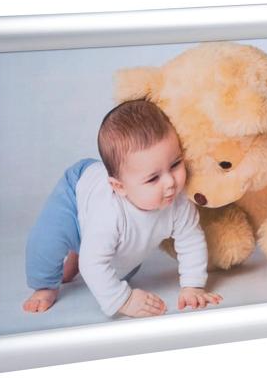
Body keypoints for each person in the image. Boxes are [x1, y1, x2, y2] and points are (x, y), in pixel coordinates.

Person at [23, 99, 223, 318]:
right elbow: (92, 264)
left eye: (175, 164)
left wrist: (193, 286)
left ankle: (84, 249)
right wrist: (124, 300)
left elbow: (191, 240)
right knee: (48, 240)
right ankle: (45, 286)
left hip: (118, 239)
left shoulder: (179, 202)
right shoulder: (109, 214)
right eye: (153, 178)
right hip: (76, 192)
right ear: (119, 187)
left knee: (122, 269)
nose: (170, 183)